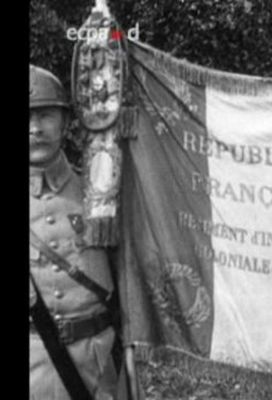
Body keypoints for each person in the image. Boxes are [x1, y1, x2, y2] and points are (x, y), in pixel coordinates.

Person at [29, 64, 121, 399]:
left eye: (45, 116)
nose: (35, 128)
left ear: (66, 123)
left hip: (96, 365)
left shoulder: (100, 192)